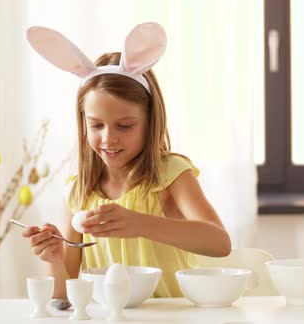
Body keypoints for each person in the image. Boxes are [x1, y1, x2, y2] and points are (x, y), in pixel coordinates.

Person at [22, 22, 231, 298]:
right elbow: (63, 296)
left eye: (124, 126)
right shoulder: (78, 192)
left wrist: (141, 224)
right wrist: (55, 259)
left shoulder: (170, 175)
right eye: (96, 126)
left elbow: (219, 242)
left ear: (150, 122)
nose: (109, 139)